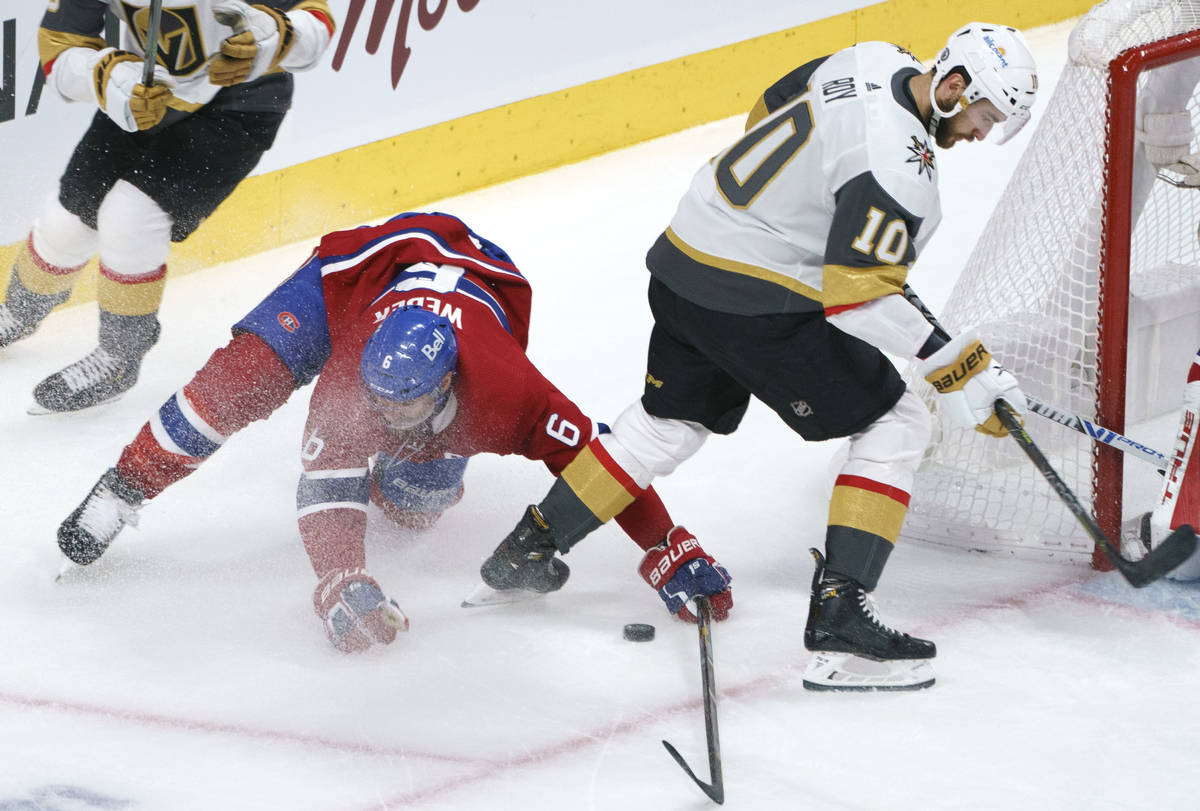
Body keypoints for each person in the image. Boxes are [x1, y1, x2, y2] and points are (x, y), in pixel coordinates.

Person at [478, 23, 1038, 691]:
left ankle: (528, 549)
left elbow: (770, 105)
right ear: (953, 87)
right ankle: (841, 626)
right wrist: (954, 367)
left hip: (686, 251)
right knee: (899, 423)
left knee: (667, 424)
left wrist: (795, 212)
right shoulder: (904, 172)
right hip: (750, 301)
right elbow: (854, 300)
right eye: (983, 115)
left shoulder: (873, 57)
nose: (980, 133)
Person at [55, 212, 734, 653]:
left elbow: (604, 459)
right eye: (378, 401)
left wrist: (666, 545)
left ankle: (411, 482)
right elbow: (324, 485)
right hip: (358, 278)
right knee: (238, 382)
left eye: (403, 405)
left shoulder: (509, 393)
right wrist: (340, 577)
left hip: (474, 277)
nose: (384, 416)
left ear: (445, 385)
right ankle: (126, 483)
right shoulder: (350, 385)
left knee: (413, 508)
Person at [0, 0, 335, 413]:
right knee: (66, 220)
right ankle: (19, 310)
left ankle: (120, 355)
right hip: (150, 92)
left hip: (242, 104)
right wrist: (107, 75)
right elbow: (60, 52)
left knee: (130, 216)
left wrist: (274, 37)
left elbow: (315, 25)